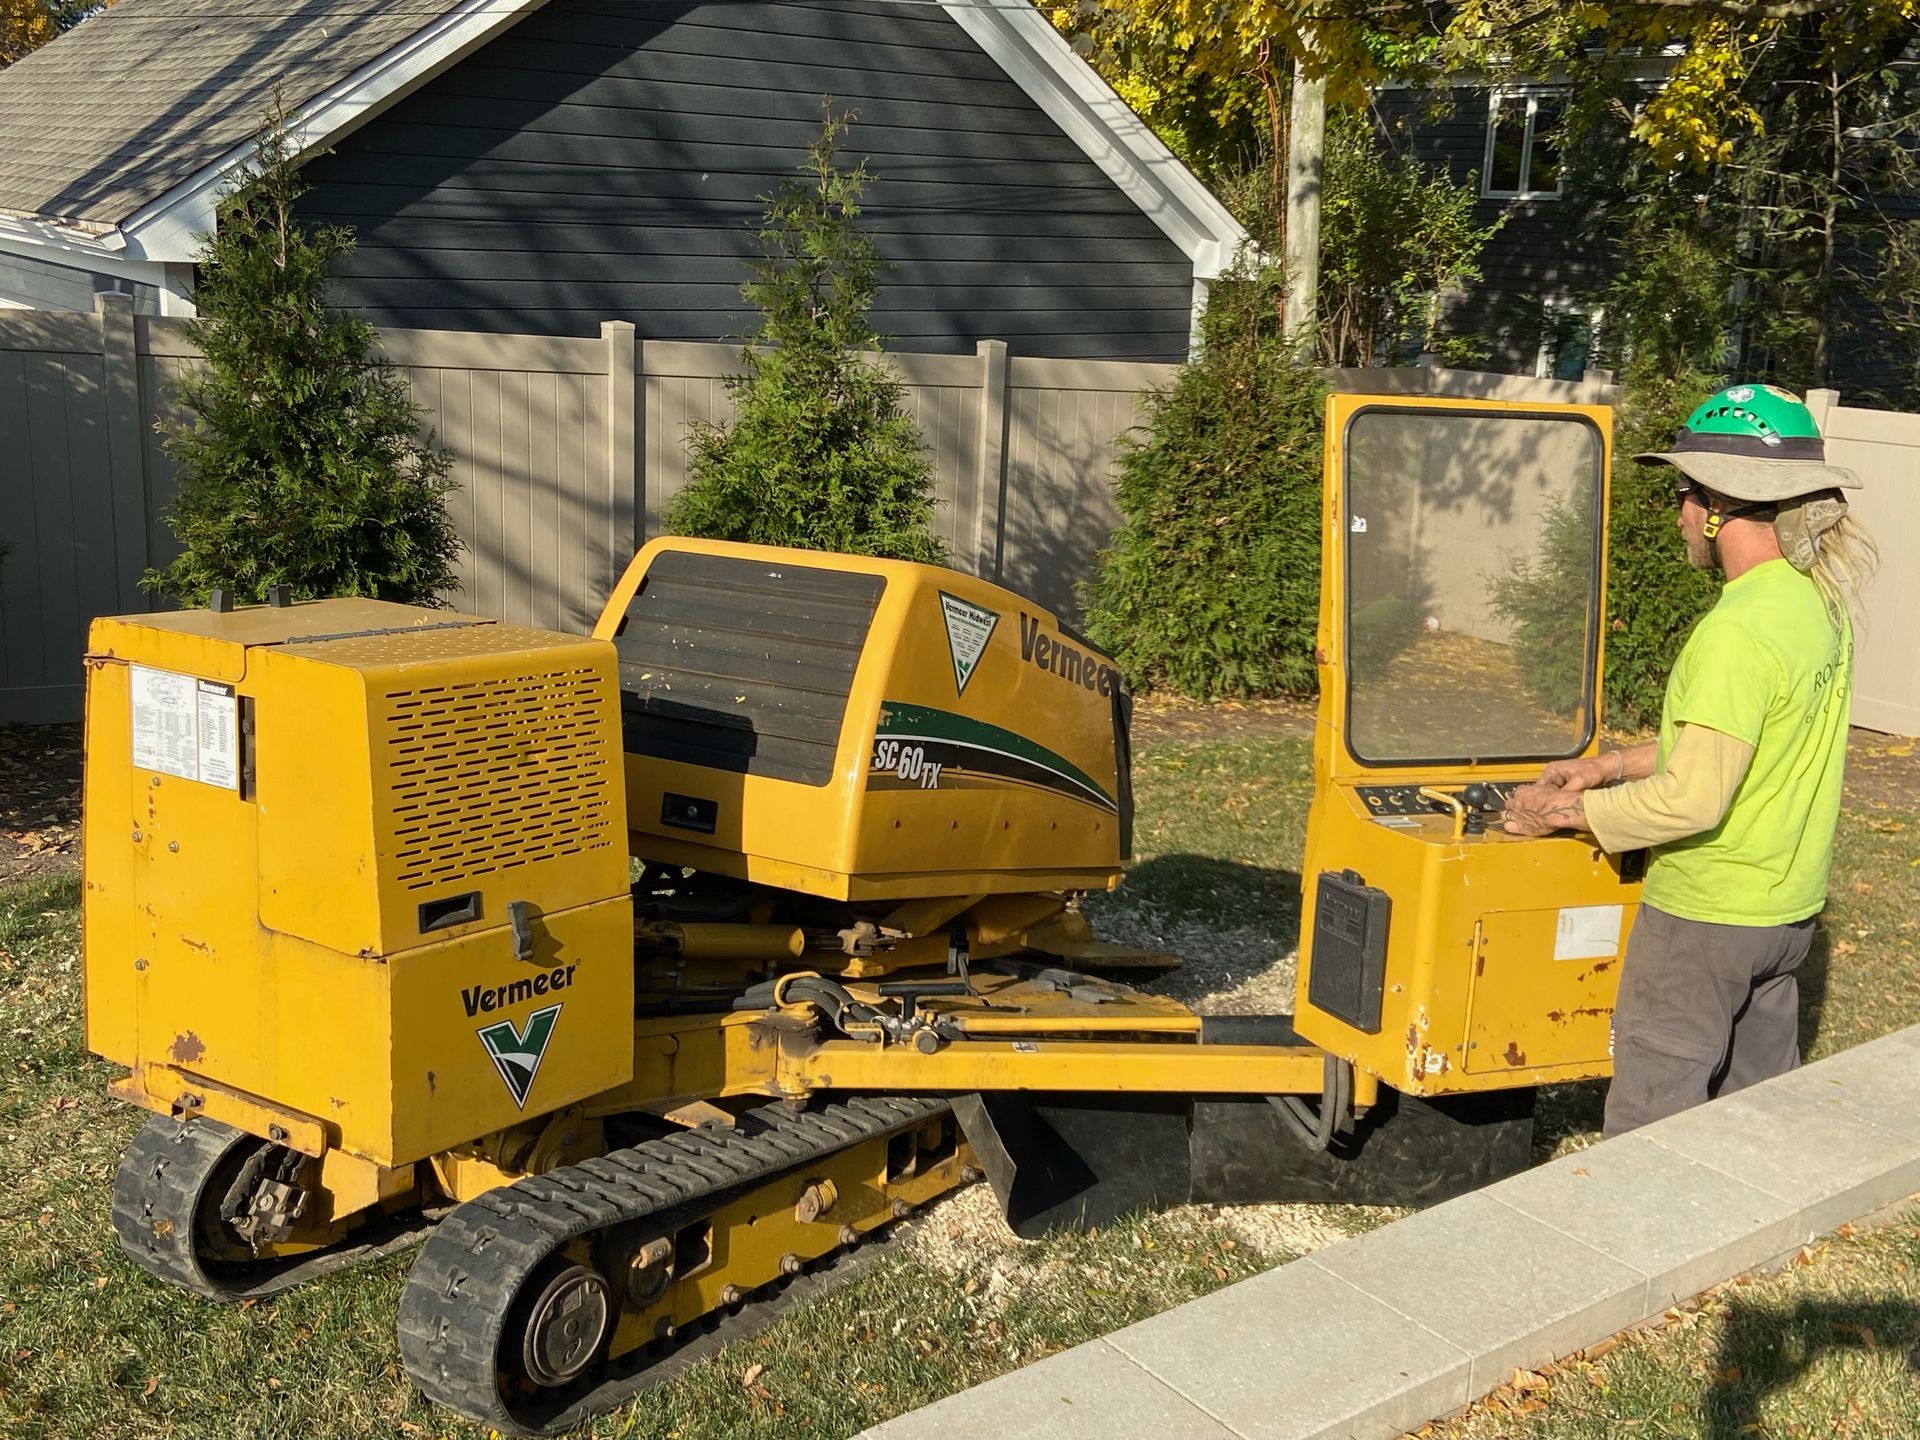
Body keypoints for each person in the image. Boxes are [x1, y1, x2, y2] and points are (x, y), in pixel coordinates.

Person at [1500, 384, 1877, 1137]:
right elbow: (1743, 745)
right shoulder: (1816, 604)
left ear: (1717, 506)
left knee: (1654, 1114)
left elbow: (1695, 799)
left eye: (1681, 492)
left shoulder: (1736, 630)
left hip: (1707, 916)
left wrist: (1567, 815)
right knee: (1755, 1108)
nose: (1676, 513)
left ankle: (1636, 1249)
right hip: (1785, 914)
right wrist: (1606, 769)